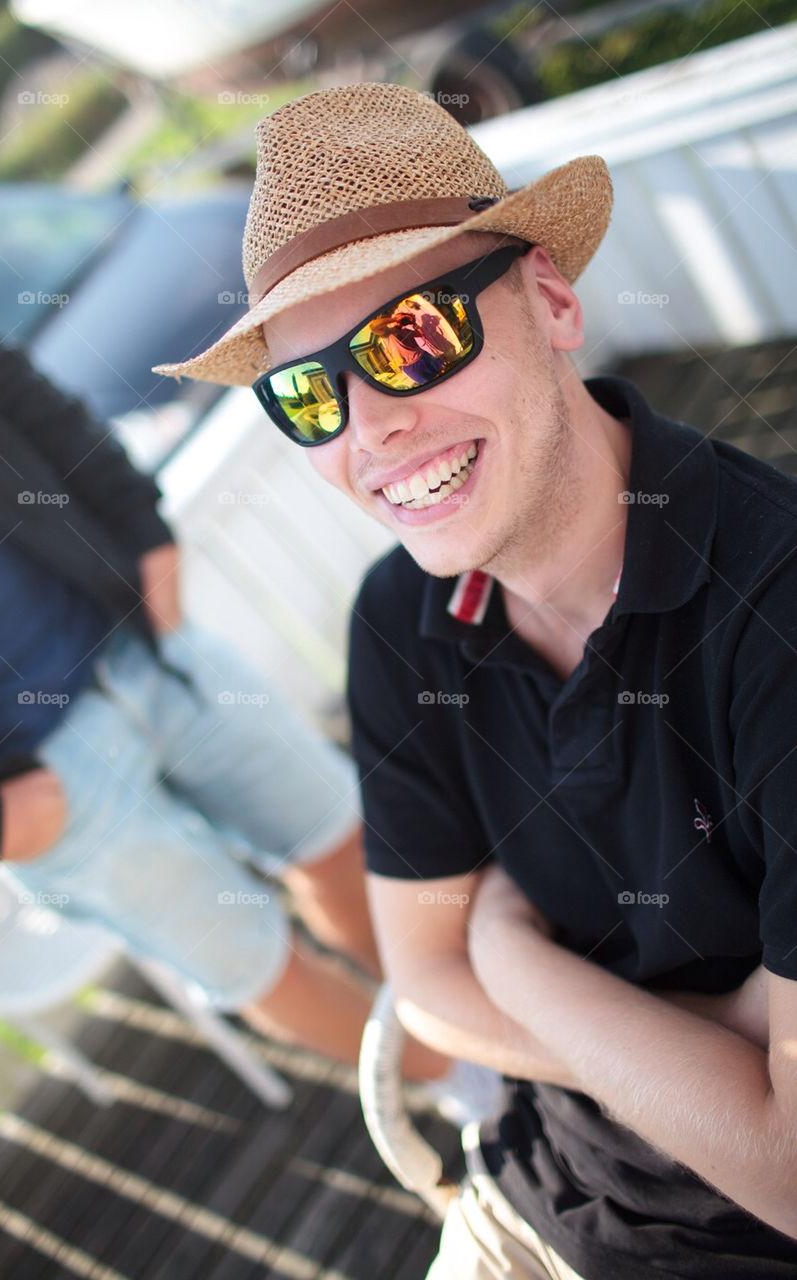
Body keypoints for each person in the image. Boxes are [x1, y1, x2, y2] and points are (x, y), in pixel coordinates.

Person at [154, 82, 797, 1278]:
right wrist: (717, 1050)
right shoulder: (402, 622)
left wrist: (511, 957)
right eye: (308, 392)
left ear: (551, 301)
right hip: (527, 1203)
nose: (371, 426)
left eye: (409, 339)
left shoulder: (775, 617)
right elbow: (427, 988)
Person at [0, 286, 460, 1086]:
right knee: (256, 965)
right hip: (24, 777)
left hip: (140, 646)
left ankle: (467, 1028)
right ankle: (467, 1085)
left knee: (337, 838)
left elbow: (17, 391)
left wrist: (142, 528)